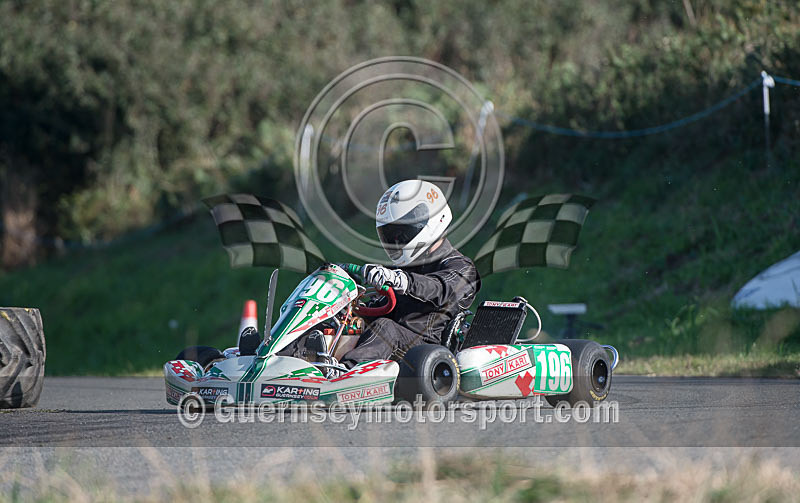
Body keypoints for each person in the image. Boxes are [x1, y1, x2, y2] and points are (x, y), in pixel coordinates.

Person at [339, 180, 480, 368]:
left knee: (385, 328)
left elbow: (438, 288)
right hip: (393, 344)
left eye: (401, 233)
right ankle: (293, 363)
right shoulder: (408, 267)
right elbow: (386, 306)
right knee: (340, 321)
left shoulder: (461, 267)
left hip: (424, 351)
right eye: (391, 236)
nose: (396, 241)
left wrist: (401, 280)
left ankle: (346, 373)